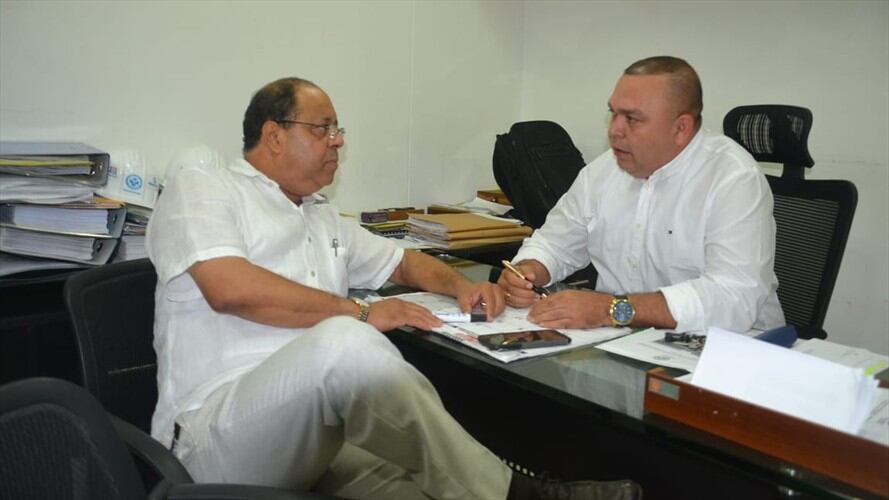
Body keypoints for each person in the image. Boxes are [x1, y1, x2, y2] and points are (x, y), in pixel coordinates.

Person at [146, 77, 640, 500]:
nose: (337, 142)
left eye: (338, 130)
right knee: (347, 341)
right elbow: (229, 288)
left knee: (426, 487)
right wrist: (359, 313)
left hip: (314, 437)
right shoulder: (205, 189)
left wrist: (459, 288)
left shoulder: (319, 214)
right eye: (324, 129)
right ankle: (521, 493)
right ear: (273, 136)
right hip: (214, 439)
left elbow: (404, 262)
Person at [499, 56, 784, 334]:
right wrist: (528, 270)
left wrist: (609, 309)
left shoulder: (732, 177)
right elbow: (555, 243)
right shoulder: (604, 171)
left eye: (632, 119)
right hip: (623, 343)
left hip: (727, 354)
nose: (614, 130)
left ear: (680, 128)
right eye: (613, 113)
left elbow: (733, 297)